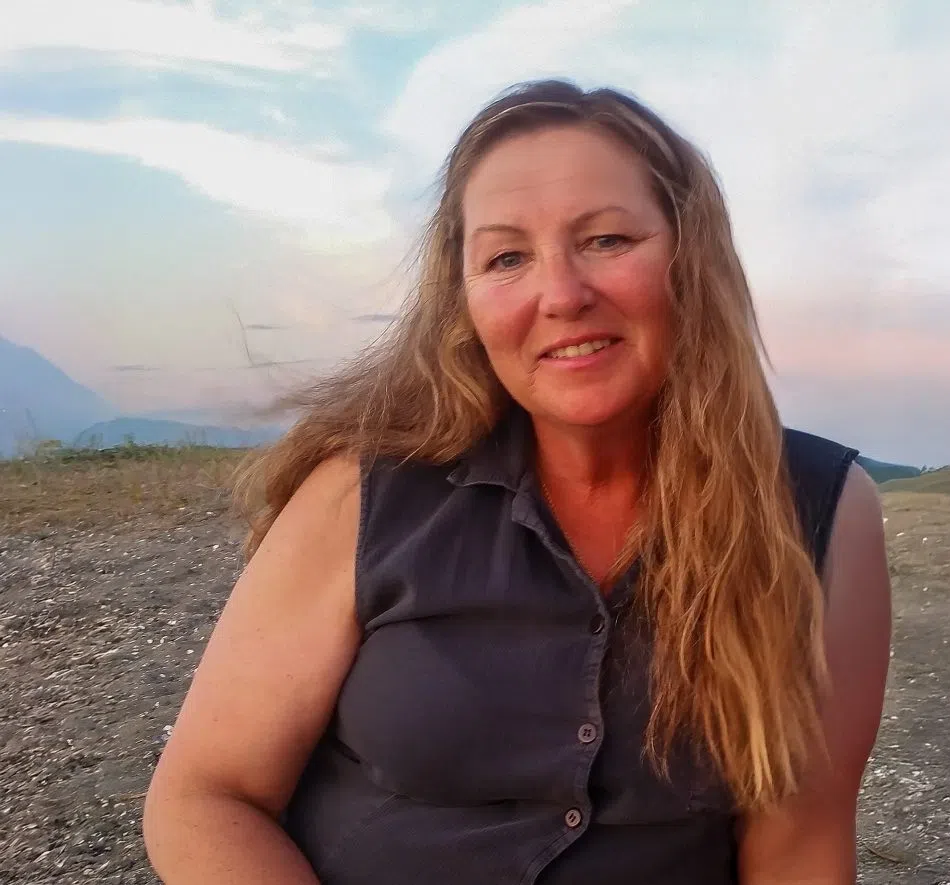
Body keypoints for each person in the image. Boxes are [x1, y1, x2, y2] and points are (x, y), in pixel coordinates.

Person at [142, 79, 892, 884]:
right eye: (507, 257)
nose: (561, 295)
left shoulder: (817, 513)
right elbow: (205, 796)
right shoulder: (359, 496)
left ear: (690, 256)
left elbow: (800, 845)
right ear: (464, 301)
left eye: (606, 239)